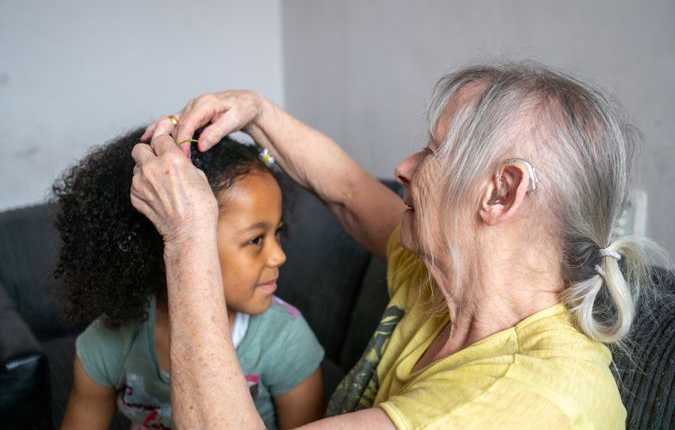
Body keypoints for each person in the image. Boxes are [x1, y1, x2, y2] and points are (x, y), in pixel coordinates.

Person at [131, 62, 664, 429]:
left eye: (432, 152)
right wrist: (258, 113)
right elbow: (347, 192)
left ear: (501, 192)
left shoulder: (528, 400)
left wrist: (186, 236)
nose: (403, 169)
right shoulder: (449, 271)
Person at [53, 128, 325, 429]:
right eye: (256, 239)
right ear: (168, 243)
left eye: (277, 233)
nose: (278, 256)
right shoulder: (107, 344)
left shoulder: (285, 340)